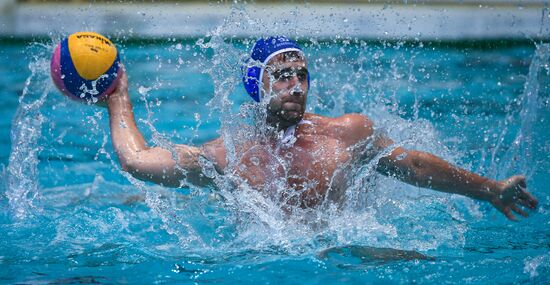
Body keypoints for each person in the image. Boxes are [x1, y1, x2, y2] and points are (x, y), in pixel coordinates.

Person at [106, 36, 538, 220]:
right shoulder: (228, 155)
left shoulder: (347, 133)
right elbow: (137, 160)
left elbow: (417, 166)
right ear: (258, 86)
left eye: (303, 74)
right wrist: (117, 97)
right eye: (284, 75)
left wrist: (489, 189)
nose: (297, 86)